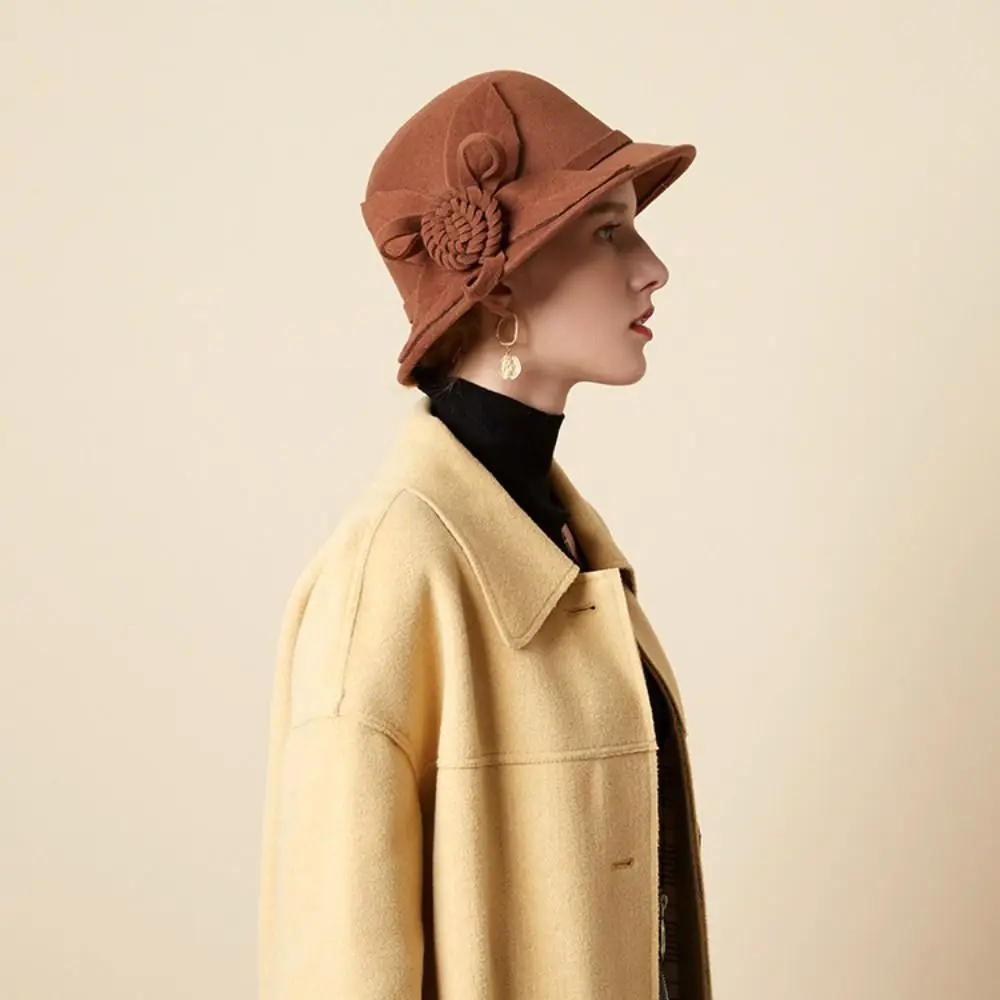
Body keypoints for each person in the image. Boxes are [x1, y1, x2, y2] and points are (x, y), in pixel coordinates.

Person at [257, 69, 710, 1000]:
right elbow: (338, 970)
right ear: (500, 285)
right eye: (608, 230)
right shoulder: (391, 576)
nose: (653, 266)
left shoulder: (566, 545)